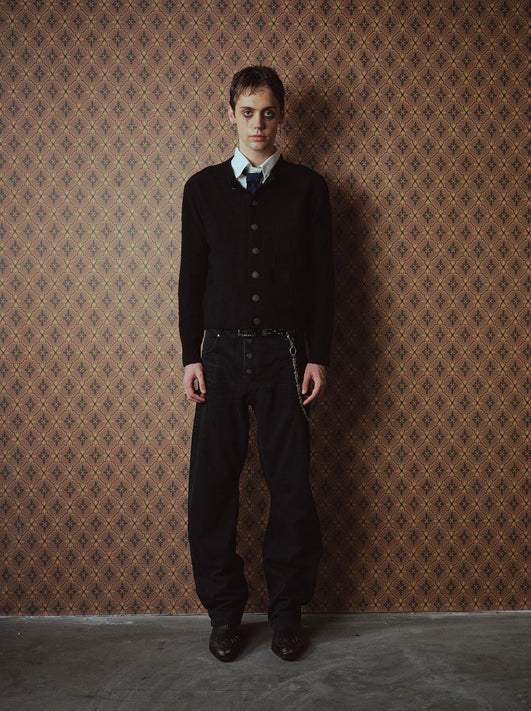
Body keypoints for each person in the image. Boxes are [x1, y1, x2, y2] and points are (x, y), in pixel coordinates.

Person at [179, 65, 334, 662]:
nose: (258, 124)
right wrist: (190, 355)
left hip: (284, 354)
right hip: (218, 354)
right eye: (248, 112)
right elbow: (191, 279)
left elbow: (324, 281)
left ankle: (287, 613)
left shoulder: (308, 189)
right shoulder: (201, 189)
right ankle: (224, 613)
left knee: (290, 487)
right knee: (212, 489)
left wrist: (319, 356)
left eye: (268, 113)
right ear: (231, 115)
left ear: (282, 116)